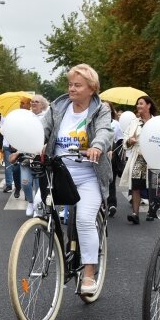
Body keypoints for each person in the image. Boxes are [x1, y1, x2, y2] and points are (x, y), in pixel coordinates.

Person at [40, 64, 113, 295]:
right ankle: (62, 254)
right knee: (46, 212)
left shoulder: (101, 109)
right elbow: (42, 129)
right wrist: (24, 147)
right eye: (70, 84)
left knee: (83, 219)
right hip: (60, 174)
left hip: (88, 175)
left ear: (91, 88)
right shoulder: (58, 107)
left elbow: (104, 131)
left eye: (77, 85)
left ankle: (89, 273)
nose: (72, 88)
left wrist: (97, 147)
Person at [120, 95, 157, 224]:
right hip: (139, 157)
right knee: (136, 184)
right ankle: (135, 214)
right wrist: (130, 141)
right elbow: (125, 141)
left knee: (153, 185)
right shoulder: (134, 122)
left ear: (149, 105)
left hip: (154, 158)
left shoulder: (157, 122)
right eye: (137, 104)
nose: (138, 106)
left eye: (141, 103)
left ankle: (152, 211)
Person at [102, 101, 124, 217]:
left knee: (111, 181)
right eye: (102, 107)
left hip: (111, 156)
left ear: (111, 110)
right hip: (98, 156)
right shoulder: (94, 122)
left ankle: (111, 204)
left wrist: (114, 151)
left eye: (107, 107)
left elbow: (120, 141)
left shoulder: (115, 124)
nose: (104, 109)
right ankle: (100, 204)